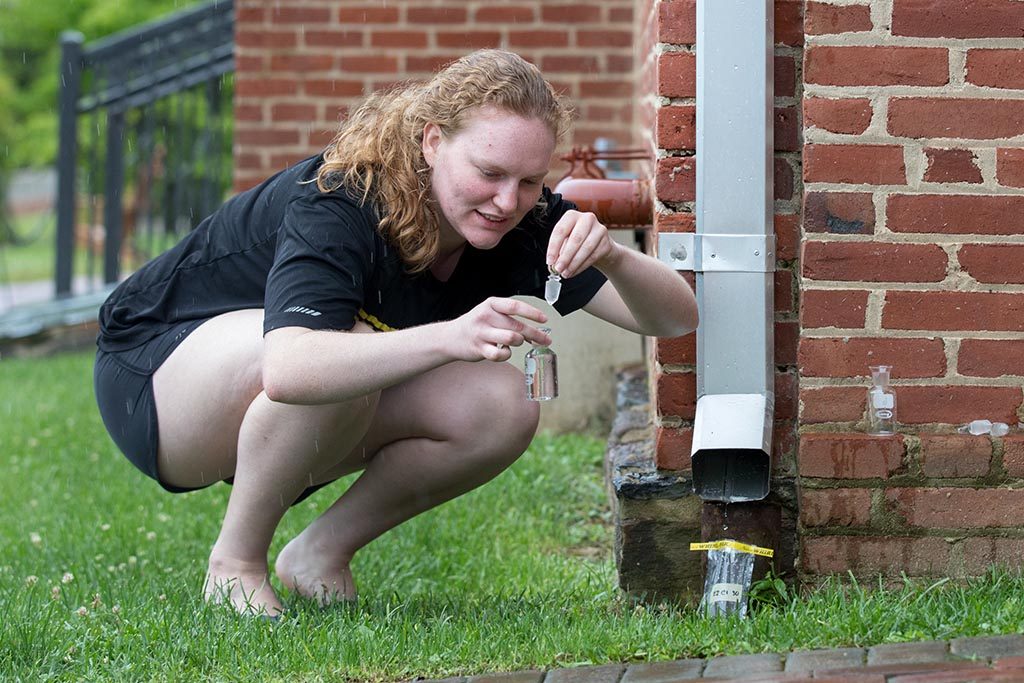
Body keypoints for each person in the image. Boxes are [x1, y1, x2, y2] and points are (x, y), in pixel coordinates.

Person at [93, 49, 698, 618]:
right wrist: (449, 338)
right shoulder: (342, 199)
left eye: (530, 182)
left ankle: (319, 553)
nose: (506, 201)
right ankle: (234, 565)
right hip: (157, 380)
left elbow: (676, 318)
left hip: (280, 400)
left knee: (502, 405)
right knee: (345, 350)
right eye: (488, 172)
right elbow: (290, 369)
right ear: (433, 142)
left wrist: (614, 259)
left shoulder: (521, 217)